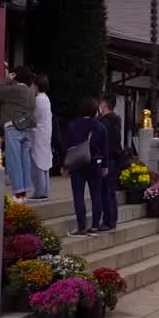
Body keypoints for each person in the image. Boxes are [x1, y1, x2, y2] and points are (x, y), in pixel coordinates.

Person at [62, 98, 108, 235]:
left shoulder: (72, 125)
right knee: (96, 195)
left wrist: (64, 165)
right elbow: (104, 148)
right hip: (95, 163)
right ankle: (94, 225)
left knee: (78, 196)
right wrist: (105, 166)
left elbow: (67, 146)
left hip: (77, 164)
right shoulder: (100, 126)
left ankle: (81, 226)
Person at [0, 67, 37, 202]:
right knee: (25, 160)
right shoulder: (31, 92)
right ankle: (25, 191)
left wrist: (6, 79)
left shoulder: (15, 89)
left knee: (14, 160)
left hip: (13, 126)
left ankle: (18, 193)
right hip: (27, 127)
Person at [96, 94, 123, 230]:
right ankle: (112, 219)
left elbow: (104, 143)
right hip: (115, 159)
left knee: (105, 191)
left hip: (106, 159)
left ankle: (108, 220)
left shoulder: (104, 122)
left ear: (105, 105)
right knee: (110, 192)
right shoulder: (116, 120)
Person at [29, 74, 53, 201]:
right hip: (45, 133)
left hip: (38, 133)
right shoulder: (46, 98)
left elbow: (33, 117)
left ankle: (39, 191)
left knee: (37, 162)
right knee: (45, 163)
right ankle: (44, 190)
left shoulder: (38, 100)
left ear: (37, 85)